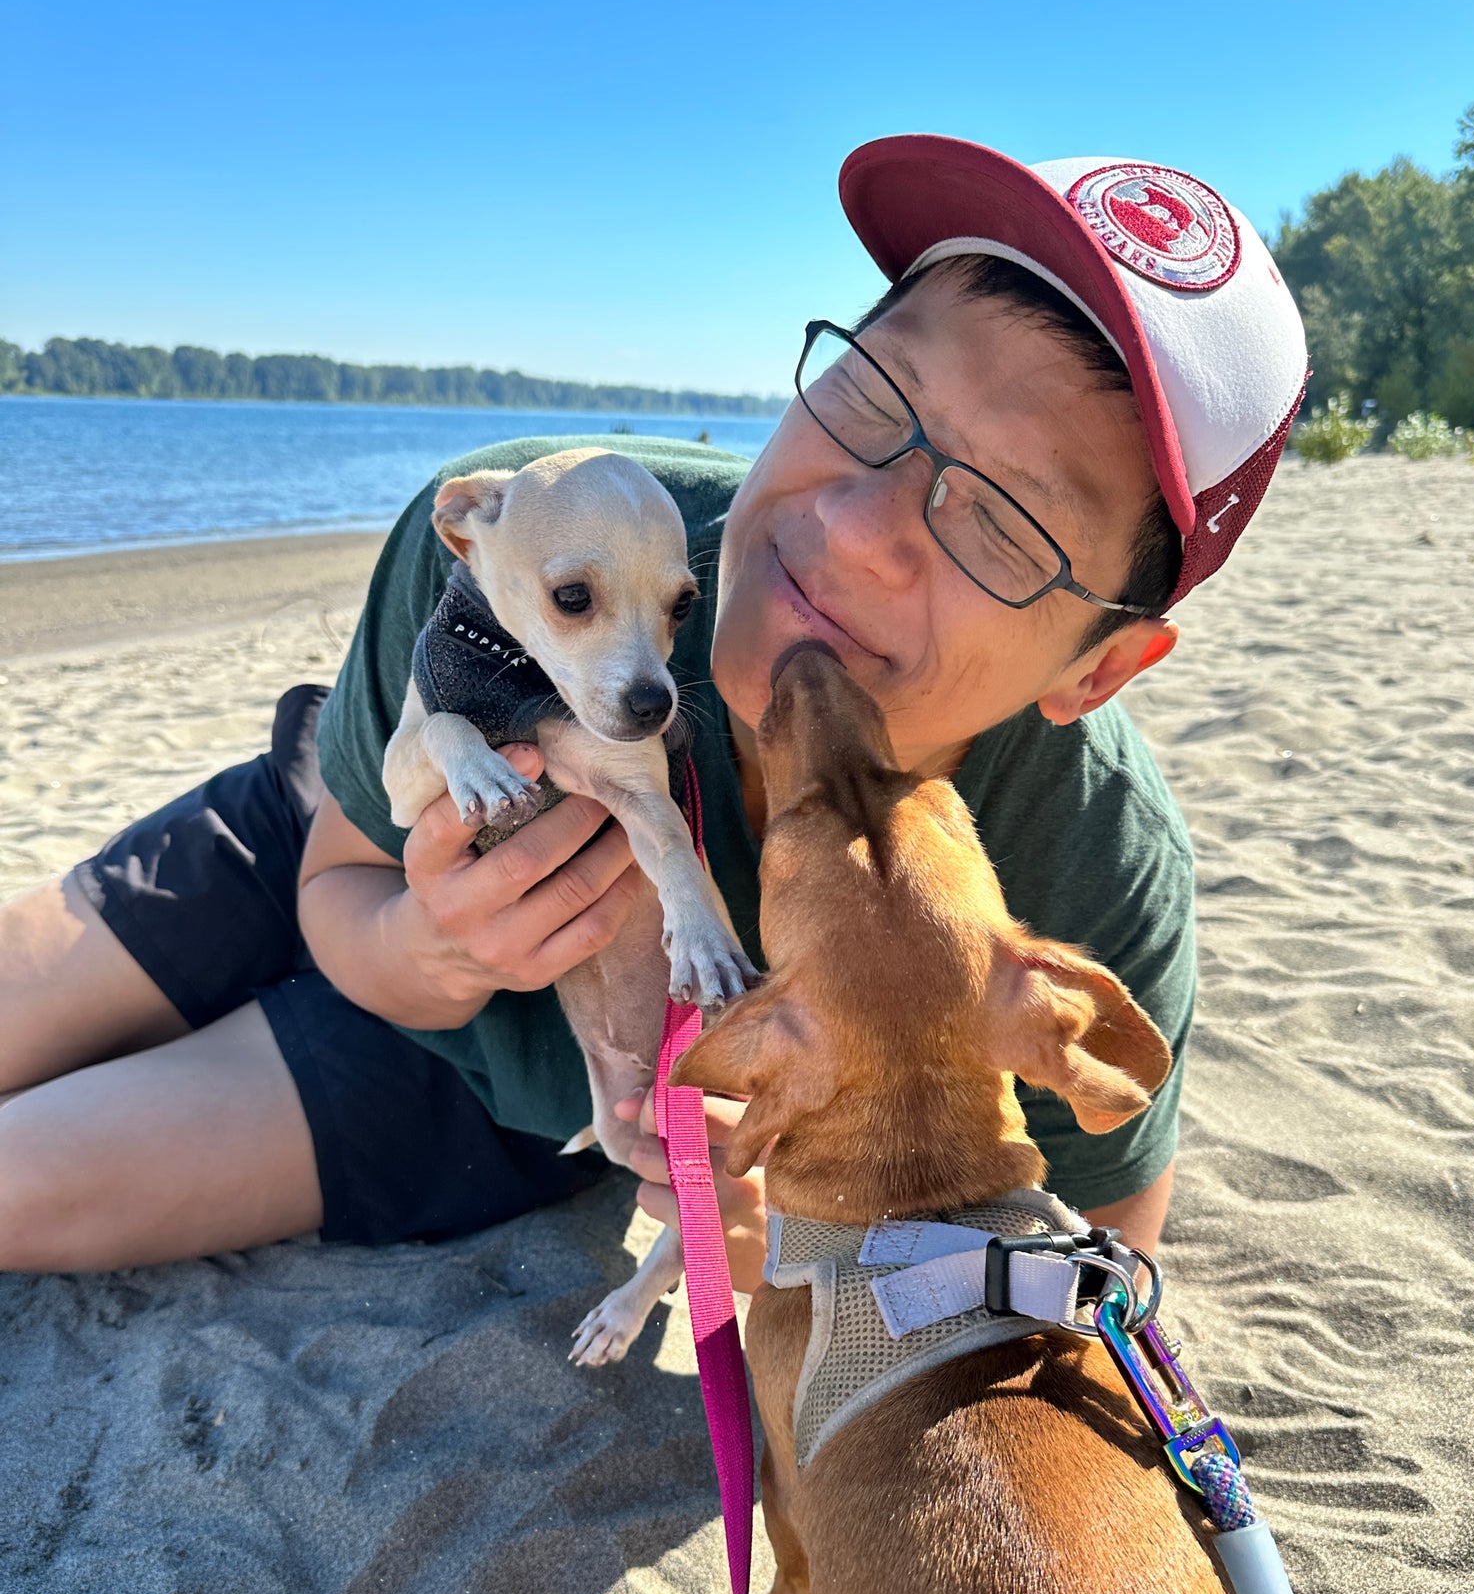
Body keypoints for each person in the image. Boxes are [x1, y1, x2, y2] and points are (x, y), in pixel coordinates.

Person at [0, 138, 1306, 1283]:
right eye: (874, 396)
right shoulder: (529, 532)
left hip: (492, 1090)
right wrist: (428, 945)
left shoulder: (1083, 865)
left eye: (1007, 521)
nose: (856, 528)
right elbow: (340, 878)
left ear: (1100, 670)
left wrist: (812, 1223)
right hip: (324, 836)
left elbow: (1096, 1271)